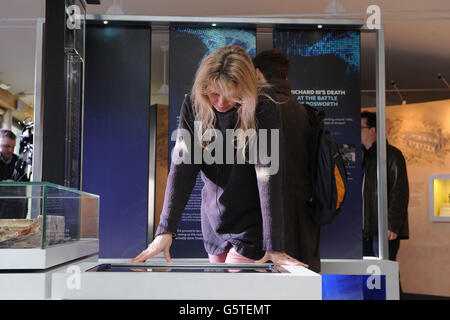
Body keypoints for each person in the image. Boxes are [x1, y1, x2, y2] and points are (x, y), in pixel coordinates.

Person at [130, 46, 307, 267]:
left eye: (233, 95)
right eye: (214, 94)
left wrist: (274, 245)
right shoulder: (194, 104)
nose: (222, 102)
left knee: (237, 295)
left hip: (252, 226)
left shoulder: (263, 104)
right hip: (214, 224)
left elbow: (268, 176)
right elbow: (182, 170)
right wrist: (165, 230)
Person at [252, 49, 321, 273]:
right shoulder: (303, 111)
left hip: (268, 221)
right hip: (304, 217)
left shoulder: (259, 107)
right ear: (286, 77)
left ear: (257, 73)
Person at [360, 111, 409, 261]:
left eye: (360, 127)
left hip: (383, 230)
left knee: (386, 274)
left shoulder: (392, 155)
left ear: (372, 130)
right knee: (367, 276)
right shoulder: (361, 156)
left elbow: (399, 192)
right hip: (363, 231)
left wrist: (392, 225)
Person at [0, 128, 27, 219]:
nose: (10, 150)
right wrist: (3, 183)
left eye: (13, 147)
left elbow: (26, 186)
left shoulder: (18, 162)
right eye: (7, 146)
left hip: (15, 214)